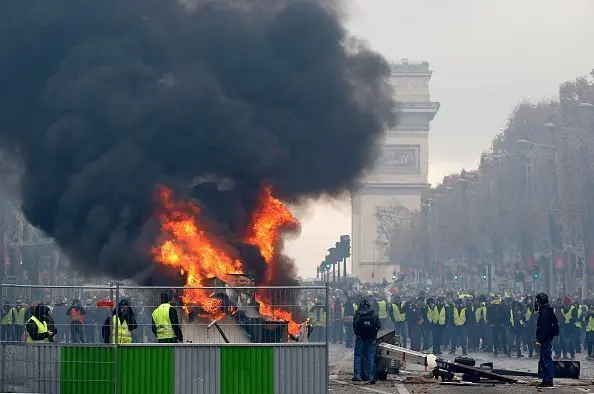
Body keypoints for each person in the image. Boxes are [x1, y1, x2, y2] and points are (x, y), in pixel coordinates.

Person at [352, 298, 381, 384]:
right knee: (370, 356)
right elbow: (378, 325)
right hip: (371, 338)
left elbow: (354, 326)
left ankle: (357, 375)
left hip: (360, 338)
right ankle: (369, 375)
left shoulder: (357, 314)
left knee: (358, 355)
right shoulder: (373, 313)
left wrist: (358, 334)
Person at [535, 292, 559, 388]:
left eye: (537, 301)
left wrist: (539, 340)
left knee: (546, 358)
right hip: (546, 337)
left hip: (545, 338)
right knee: (543, 359)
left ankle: (548, 380)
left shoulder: (544, 312)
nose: (536, 303)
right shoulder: (546, 310)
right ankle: (546, 379)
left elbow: (544, 327)